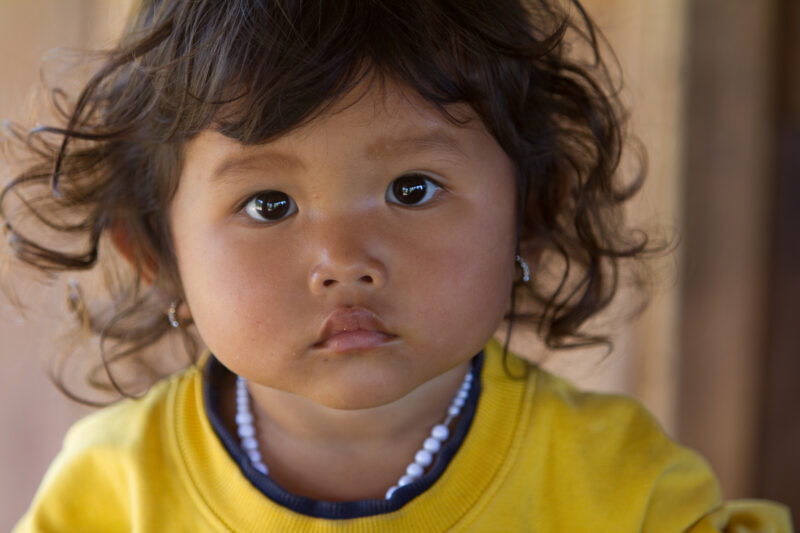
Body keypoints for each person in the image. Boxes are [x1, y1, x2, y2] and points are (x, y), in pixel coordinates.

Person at [2, 0, 792, 531]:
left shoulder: (623, 490)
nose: (344, 262)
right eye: (270, 204)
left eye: (411, 189)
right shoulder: (109, 496)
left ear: (532, 212)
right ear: (156, 253)